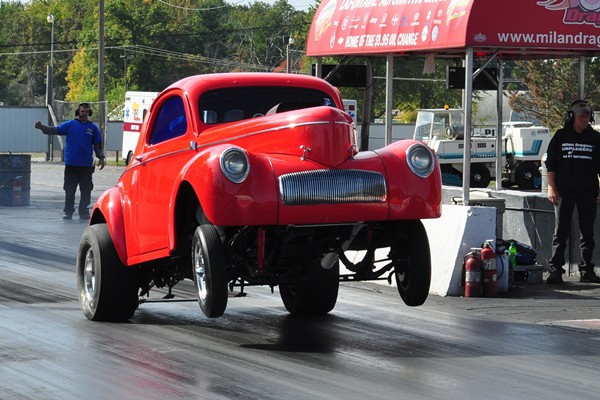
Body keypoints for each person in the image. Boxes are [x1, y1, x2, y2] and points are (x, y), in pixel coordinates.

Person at [545, 99, 600, 284]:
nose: (585, 119)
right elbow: (550, 164)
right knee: (560, 232)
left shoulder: (595, 138)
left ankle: (586, 270)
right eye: (581, 116)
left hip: (588, 192)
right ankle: (555, 271)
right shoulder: (561, 136)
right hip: (564, 191)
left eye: (587, 116)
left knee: (588, 233)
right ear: (572, 117)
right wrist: (551, 186)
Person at [34, 103, 105, 220]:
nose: (84, 114)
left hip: (86, 165)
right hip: (71, 164)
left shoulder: (93, 128)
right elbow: (55, 130)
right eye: (82, 111)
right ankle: (68, 212)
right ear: (78, 112)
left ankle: (84, 212)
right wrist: (42, 127)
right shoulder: (70, 125)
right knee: (69, 189)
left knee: (86, 190)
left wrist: (101, 158)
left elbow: (97, 145)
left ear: (89, 113)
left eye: (87, 112)